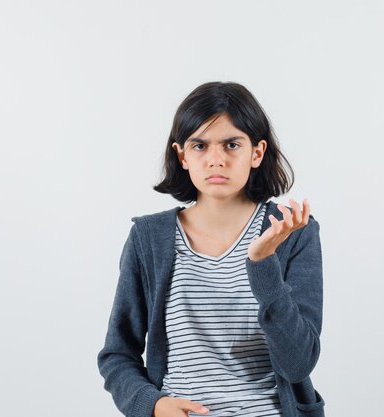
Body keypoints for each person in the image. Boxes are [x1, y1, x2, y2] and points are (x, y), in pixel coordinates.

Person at [97, 81, 326, 417]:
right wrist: (155, 405)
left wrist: (262, 264)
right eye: (200, 146)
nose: (216, 160)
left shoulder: (291, 231)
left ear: (257, 152)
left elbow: (298, 363)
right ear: (182, 155)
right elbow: (117, 355)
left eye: (231, 144)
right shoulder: (149, 238)